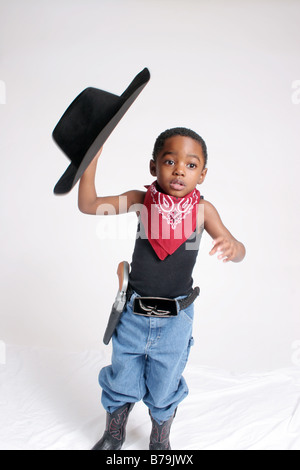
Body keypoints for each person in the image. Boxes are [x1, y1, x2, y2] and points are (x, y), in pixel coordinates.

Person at [78, 127, 246, 450]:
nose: (180, 169)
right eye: (170, 161)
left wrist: (232, 245)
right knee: (122, 373)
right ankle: (115, 431)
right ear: (153, 167)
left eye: (191, 165)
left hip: (175, 318)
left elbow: (240, 252)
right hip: (134, 312)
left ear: (203, 174)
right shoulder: (142, 202)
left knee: (165, 383)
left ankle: (160, 437)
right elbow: (89, 204)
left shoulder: (202, 212)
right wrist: (90, 162)